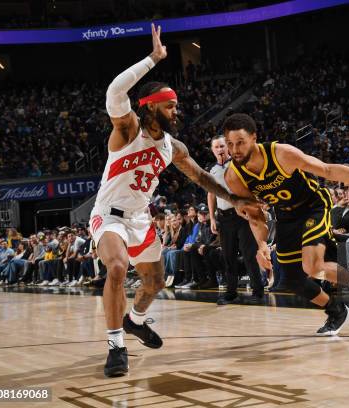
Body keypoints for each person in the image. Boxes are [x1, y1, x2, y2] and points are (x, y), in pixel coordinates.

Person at [90, 24, 256, 377]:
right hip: (108, 217)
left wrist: (234, 198)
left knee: (155, 282)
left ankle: (135, 321)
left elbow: (202, 177)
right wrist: (153, 58)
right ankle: (116, 346)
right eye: (170, 106)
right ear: (150, 108)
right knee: (117, 268)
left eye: (176, 106)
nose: (176, 111)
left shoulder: (172, 147)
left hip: (139, 219)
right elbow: (115, 90)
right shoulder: (127, 130)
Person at [223, 113, 349, 336]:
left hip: (313, 205)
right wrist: (261, 244)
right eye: (230, 144)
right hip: (286, 217)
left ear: (254, 138)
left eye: (240, 142)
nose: (234, 150)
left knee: (312, 266)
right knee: (291, 278)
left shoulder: (282, 154)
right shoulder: (234, 176)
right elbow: (255, 216)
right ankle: (336, 310)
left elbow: (328, 170)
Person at [207, 135, 264, 305]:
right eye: (216, 147)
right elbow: (210, 194)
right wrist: (211, 217)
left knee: (249, 254)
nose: (220, 149)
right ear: (212, 150)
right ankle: (231, 292)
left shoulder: (239, 164)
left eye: (222, 146)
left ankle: (257, 291)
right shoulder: (212, 170)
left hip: (243, 215)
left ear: (228, 147)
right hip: (224, 218)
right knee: (228, 256)